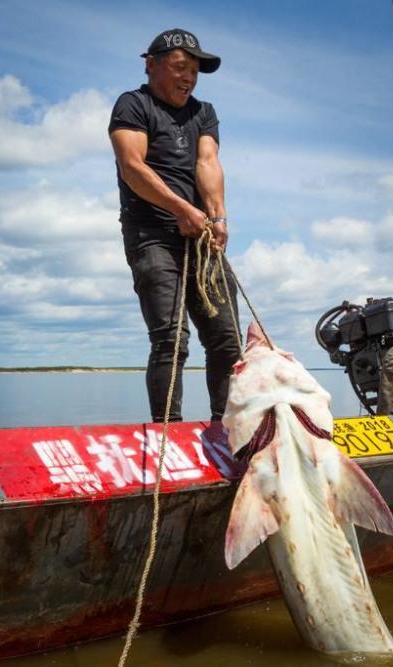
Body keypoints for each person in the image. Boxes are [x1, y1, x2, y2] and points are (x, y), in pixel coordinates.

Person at [108, 28, 241, 423]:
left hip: (200, 236)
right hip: (151, 234)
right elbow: (132, 167)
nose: (189, 77)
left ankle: (227, 427)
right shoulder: (133, 105)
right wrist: (180, 207)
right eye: (181, 67)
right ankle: (170, 431)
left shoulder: (204, 112)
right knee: (171, 339)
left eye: (195, 71)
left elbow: (208, 162)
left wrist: (216, 216)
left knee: (228, 338)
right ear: (151, 64)